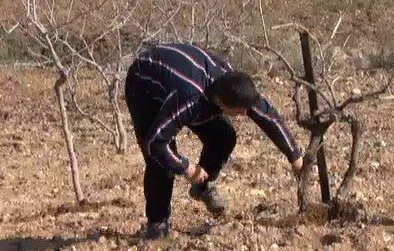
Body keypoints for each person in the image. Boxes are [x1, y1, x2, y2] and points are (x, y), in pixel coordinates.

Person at [124, 42, 303, 239]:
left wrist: (294, 155)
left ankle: (202, 186)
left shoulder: (233, 84)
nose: (245, 114)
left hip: (181, 82)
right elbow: (156, 143)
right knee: (161, 161)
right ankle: (157, 225)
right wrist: (186, 167)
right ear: (221, 103)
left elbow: (268, 117)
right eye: (239, 110)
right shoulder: (191, 99)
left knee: (224, 136)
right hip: (144, 86)